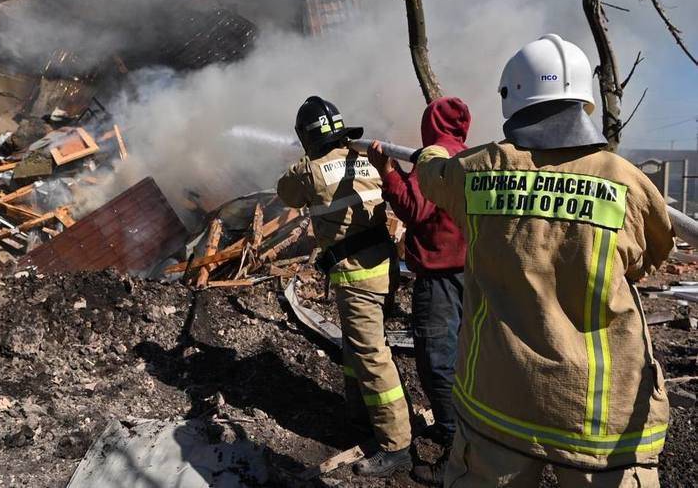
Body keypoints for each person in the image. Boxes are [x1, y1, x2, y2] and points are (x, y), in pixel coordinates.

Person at [408, 35, 673, 487]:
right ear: (583, 100)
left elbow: (431, 177)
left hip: (499, 403)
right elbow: (650, 257)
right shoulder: (626, 181)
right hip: (601, 418)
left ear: (511, 97)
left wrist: (432, 148)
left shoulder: (479, 169)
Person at [277, 96, 412, 478]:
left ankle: (396, 444)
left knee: (371, 355)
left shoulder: (309, 171)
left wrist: (306, 161)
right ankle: (360, 413)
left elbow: (285, 191)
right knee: (356, 344)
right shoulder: (365, 157)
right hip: (385, 268)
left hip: (357, 278)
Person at [368, 97, 470, 486]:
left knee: (437, 360)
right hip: (472, 274)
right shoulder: (468, 155)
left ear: (430, 125)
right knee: (465, 358)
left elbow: (414, 209)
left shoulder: (434, 158)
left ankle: (454, 441)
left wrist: (388, 171)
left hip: (440, 278)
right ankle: (467, 431)